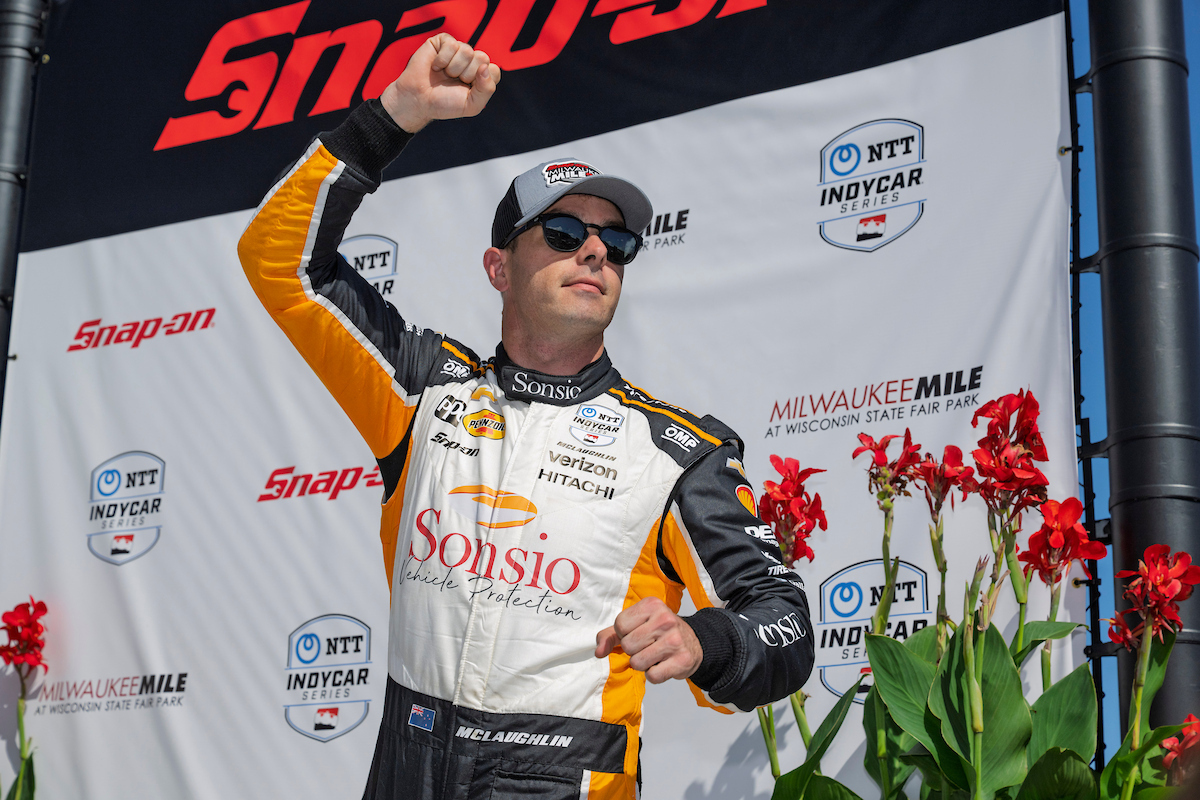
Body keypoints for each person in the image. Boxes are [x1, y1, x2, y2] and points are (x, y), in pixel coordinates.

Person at [239, 33, 813, 800]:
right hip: (408, 766)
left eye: (616, 243)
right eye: (565, 233)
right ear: (499, 268)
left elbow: (784, 620)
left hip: (569, 776)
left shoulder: (680, 452)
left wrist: (707, 639)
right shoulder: (420, 390)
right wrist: (394, 114)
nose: (596, 253)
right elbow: (282, 263)